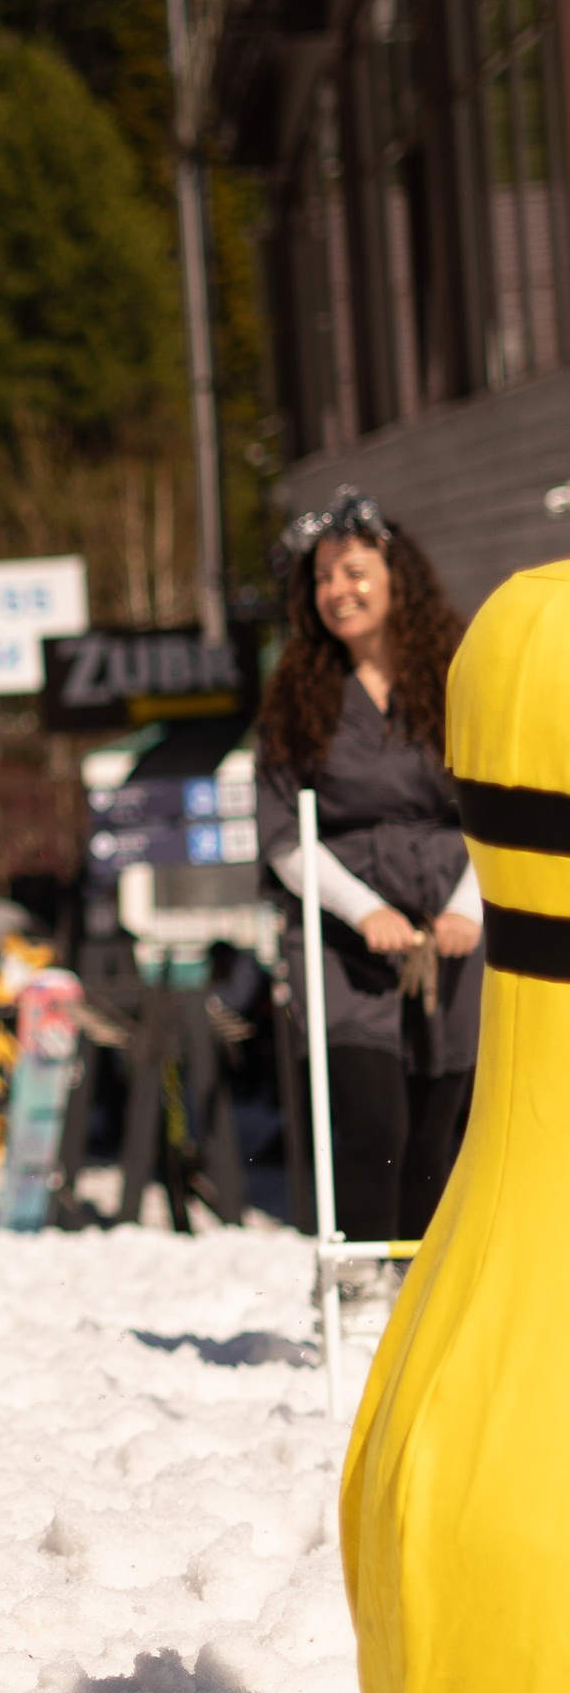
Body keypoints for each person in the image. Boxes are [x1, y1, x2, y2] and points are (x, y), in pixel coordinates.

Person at [255, 488, 481, 1244]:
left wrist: (467, 911)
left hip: (455, 930)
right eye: (322, 579)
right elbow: (285, 835)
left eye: (352, 572)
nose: (336, 592)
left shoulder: (461, 679)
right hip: (345, 943)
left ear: (396, 577)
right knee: (374, 1117)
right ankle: (359, 1285)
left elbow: (502, 812)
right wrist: (365, 912)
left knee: (442, 1117)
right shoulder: (297, 694)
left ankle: (419, 1281)